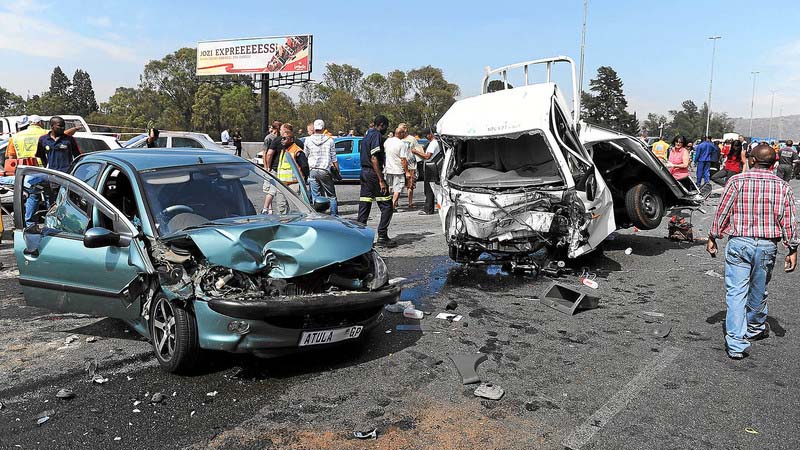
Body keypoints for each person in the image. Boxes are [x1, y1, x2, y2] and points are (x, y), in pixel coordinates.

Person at [707, 144, 798, 359]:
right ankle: (755, 329)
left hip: (739, 243)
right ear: (775, 163)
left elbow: (722, 211)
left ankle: (736, 344)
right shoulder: (783, 186)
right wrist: (792, 248)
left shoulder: (737, 181)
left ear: (752, 160)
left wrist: (713, 236)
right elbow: (790, 221)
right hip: (767, 246)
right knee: (758, 289)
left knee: (736, 292)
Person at [357, 115, 395, 247]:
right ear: (382, 125)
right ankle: (382, 236)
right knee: (387, 206)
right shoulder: (376, 135)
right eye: (386, 127)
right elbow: (374, 158)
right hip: (373, 174)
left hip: (364, 173)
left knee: (365, 205)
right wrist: (381, 180)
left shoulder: (367, 135)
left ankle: (360, 237)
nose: (385, 129)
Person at [304, 119, 339, 215]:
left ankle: (318, 214)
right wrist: (338, 172)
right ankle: (334, 215)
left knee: (316, 195)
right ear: (323, 128)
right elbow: (334, 158)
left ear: (314, 128)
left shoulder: (308, 140)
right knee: (331, 196)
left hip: (313, 170)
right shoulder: (330, 140)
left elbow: (305, 155)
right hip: (325, 170)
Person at [412, 128, 441, 215]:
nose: (426, 137)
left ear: (430, 134)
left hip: (431, 168)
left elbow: (427, 156)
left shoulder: (433, 144)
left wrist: (416, 152)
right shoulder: (435, 143)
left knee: (429, 189)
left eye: (426, 135)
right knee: (431, 189)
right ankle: (431, 207)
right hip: (432, 167)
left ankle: (428, 209)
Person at [383, 125, 411, 211]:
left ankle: (387, 205)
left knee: (388, 188)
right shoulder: (401, 144)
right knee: (397, 189)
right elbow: (403, 159)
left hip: (388, 169)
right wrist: (407, 172)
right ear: (401, 133)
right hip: (398, 170)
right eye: (404, 133)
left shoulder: (387, 141)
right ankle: (392, 205)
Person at [262, 120, 283, 214]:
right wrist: (267, 167)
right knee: (270, 188)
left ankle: (268, 208)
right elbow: (265, 153)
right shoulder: (269, 138)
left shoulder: (280, 138)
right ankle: (267, 208)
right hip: (270, 167)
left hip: (276, 166)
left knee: (272, 189)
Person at [399, 123, 421, 209]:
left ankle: (410, 202)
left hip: (411, 165)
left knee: (410, 185)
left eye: (401, 130)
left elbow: (418, 149)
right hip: (399, 166)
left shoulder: (412, 139)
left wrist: (416, 153)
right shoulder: (397, 139)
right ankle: (395, 202)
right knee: (398, 185)